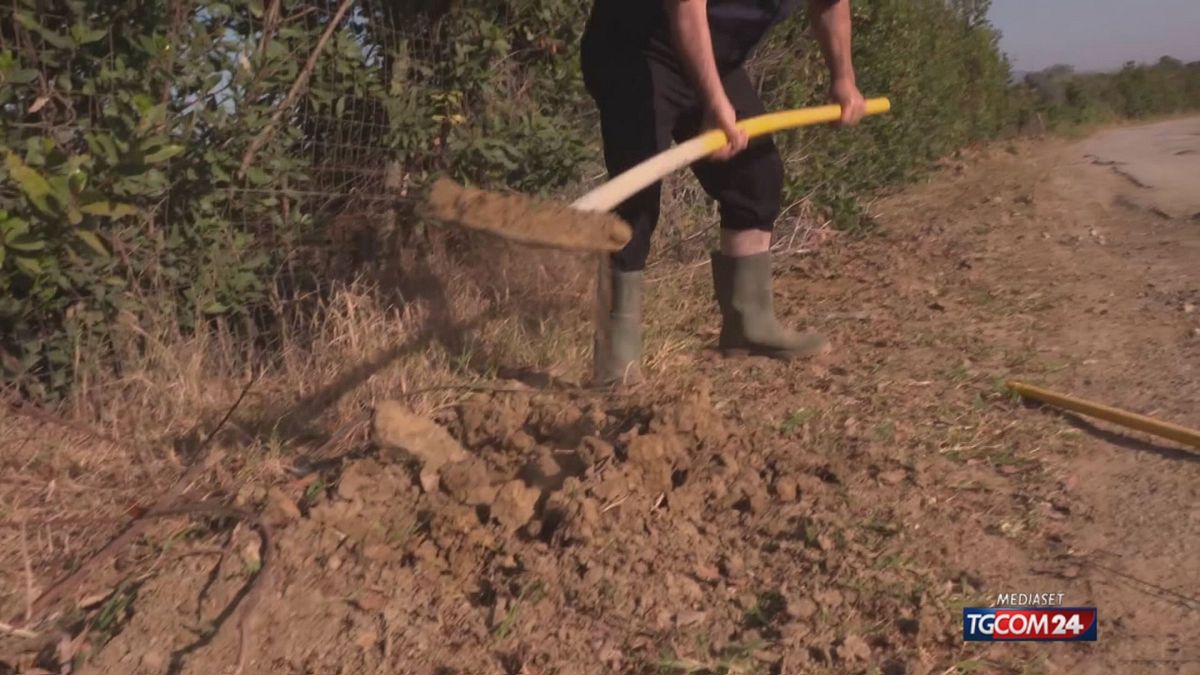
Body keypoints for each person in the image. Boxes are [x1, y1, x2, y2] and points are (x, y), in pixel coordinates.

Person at [581, 0, 866, 384]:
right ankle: (617, 358)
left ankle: (748, 322)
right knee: (636, 195)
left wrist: (843, 78)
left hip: (713, 56)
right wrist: (716, 104)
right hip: (635, 43)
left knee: (757, 175)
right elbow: (686, 7)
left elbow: (831, 5)